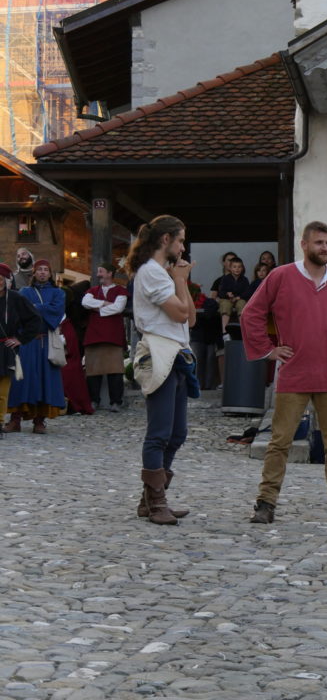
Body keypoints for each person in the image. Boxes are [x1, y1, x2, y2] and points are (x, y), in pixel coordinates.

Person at [243, 221, 327, 525]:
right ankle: (265, 503)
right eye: (319, 243)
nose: (325, 248)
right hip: (294, 374)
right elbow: (252, 314)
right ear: (304, 244)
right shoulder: (281, 276)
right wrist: (269, 350)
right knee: (280, 442)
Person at [126, 215, 197, 525]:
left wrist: (180, 282)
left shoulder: (162, 274)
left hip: (177, 354)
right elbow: (182, 314)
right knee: (159, 432)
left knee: (177, 431)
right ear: (166, 240)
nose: (183, 247)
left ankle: (149, 499)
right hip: (159, 353)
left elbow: (190, 318)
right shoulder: (152, 273)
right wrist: (180, 281)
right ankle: (156, 502)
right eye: (180, 240)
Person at [5, 259, 66, 434]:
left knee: (44, 382)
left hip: (46, 342)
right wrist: (41, 308)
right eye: (39, 270)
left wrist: (33, 307)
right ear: (34, 273)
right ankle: (15, 420)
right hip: (27, 342)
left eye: (46, 270)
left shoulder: (58, 293)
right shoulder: (24, 291)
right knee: (21, 381)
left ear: (50, 273)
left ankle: (39, 421)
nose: (42, 273)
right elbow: (18, 313)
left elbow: (56, 312)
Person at [0, 263, 43, 438]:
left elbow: (35, 320)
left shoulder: (16, 299)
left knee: (2, 390)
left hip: (4, 349)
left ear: (6, 281)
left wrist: (20, 339)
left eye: (0, 279)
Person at [82, 263, 129, 412]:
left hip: (113, 336)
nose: (98, 275)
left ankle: (116, 402)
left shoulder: (121, 291)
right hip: (94, 335)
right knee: (93, 371)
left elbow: (118, 308)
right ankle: (94, 400)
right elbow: (85, 303)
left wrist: (97, 310)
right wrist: (104, 303)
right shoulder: (93, 290)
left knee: (115, 370)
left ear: (110, 273)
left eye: (101, 271)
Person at [217, 257, 249, 335]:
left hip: (239, 298)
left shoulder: (245, 280)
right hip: (227, 299)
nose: (237, 269)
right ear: (230, 268)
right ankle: (224, 332)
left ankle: (243, 331)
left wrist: (239, 297)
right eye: (234, 267)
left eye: (239, 267)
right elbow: (221, 292)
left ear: (242, 268)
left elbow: (248, 292)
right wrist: (227, 294)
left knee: (242, 304)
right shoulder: (225, 279)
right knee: (225, 305)